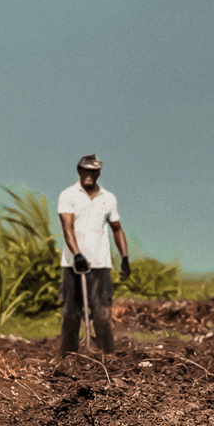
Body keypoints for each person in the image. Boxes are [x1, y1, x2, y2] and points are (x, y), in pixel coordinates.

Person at [57, 154, 130, 359]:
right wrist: (77, 254)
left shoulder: (108, 198)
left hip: (100, 264)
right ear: (79, 171)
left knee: (103, 314)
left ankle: (108, 357)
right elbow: (67, 227)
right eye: (84, 170)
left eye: (93, 171)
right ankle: (69, 358)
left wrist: (124, 257)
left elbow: (117, 229)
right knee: (71, 315)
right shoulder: (68, 195)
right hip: (74, 265)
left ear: (98, 173)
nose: (88, 174)